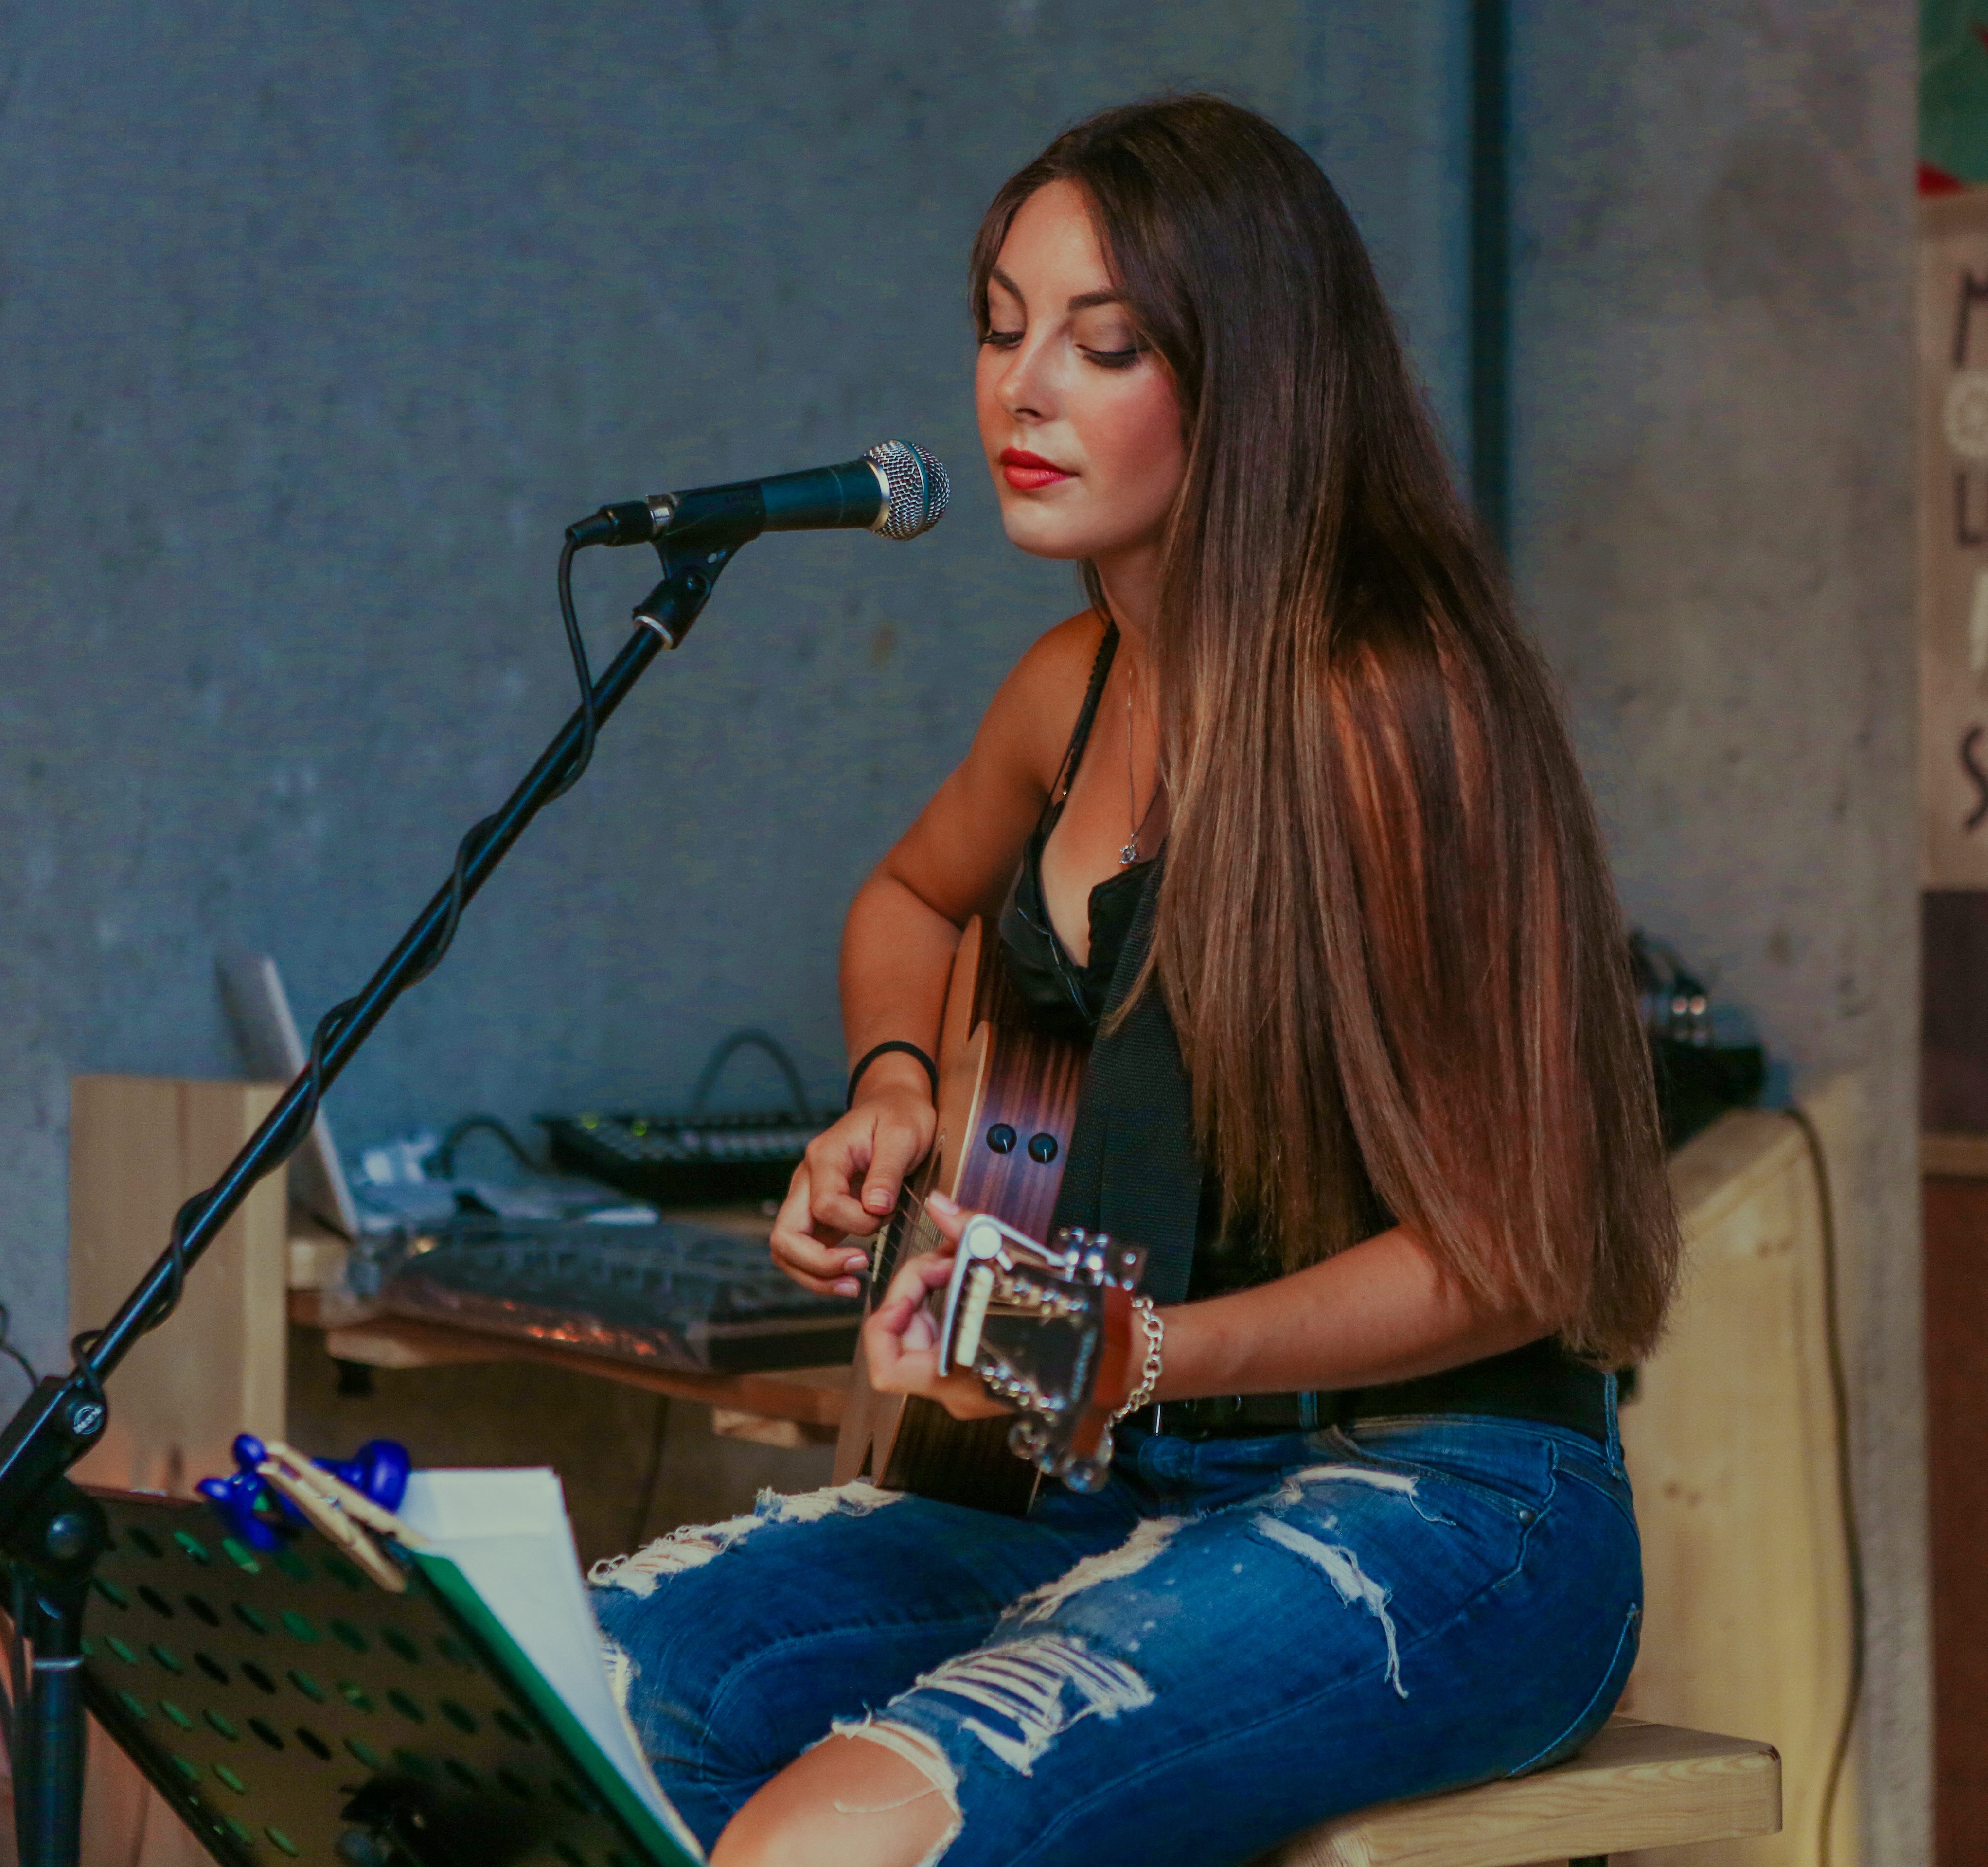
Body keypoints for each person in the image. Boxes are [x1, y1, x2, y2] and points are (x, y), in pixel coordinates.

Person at [589, 94, 1678, 1867]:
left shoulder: (1391, 715)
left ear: (1249, 379)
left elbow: (1521, 1247)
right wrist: (893, 1091)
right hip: (1106, 1483)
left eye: (1102, 345)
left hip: (1455, 1503)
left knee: (833, 1841)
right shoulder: (1071, 684)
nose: (1022, 390)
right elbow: (914, 901)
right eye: (1001, 328)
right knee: (590, 1693)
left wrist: (1145, 1352)